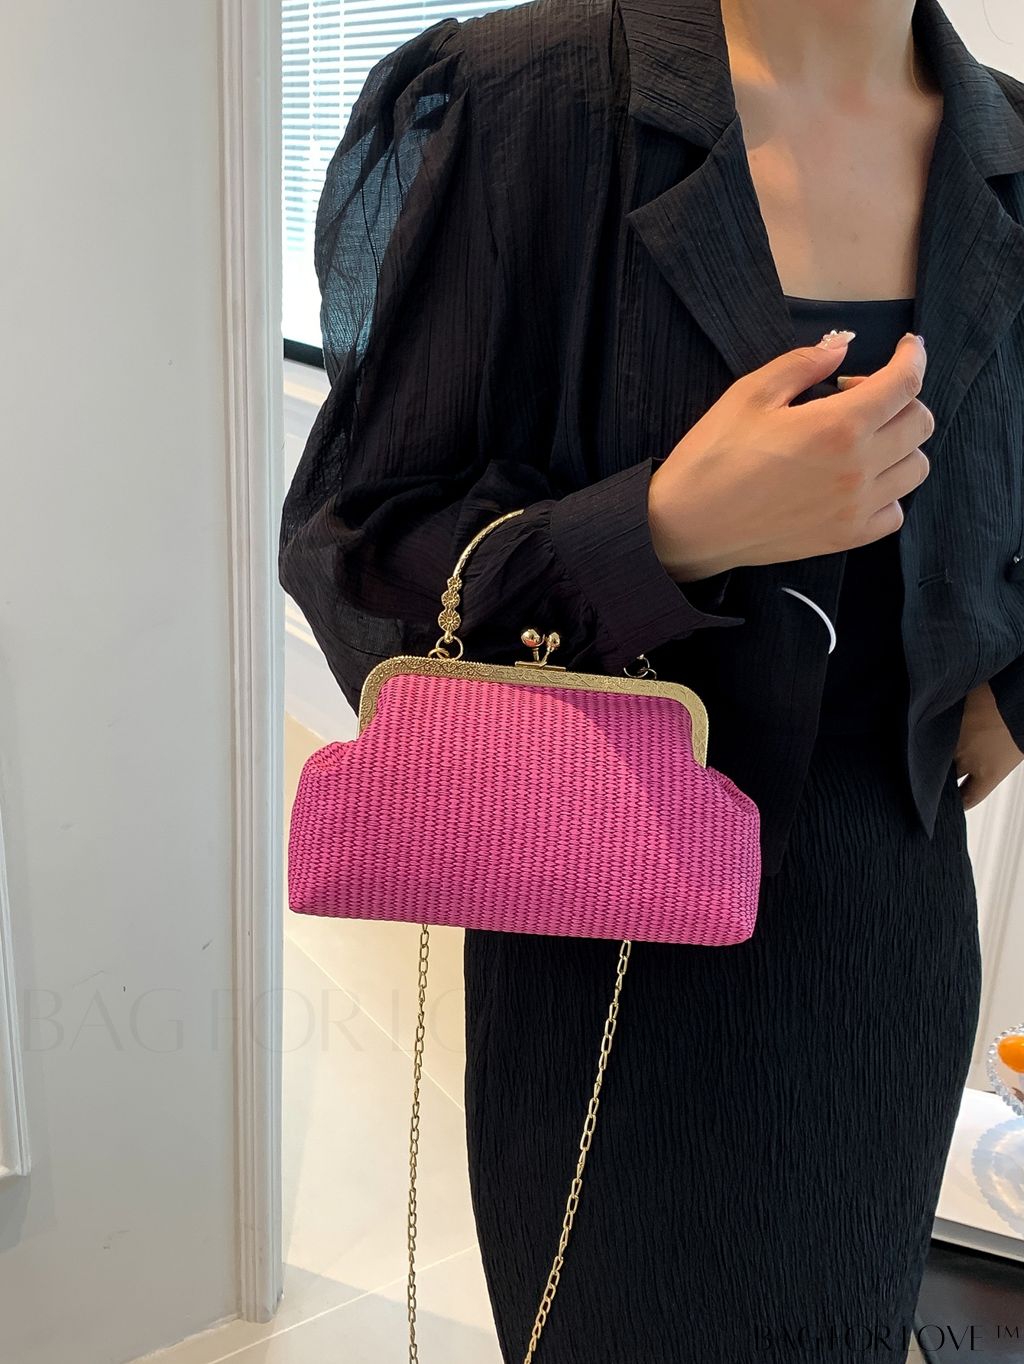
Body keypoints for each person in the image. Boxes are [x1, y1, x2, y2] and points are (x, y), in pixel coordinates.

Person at [279, 0, 1024, 1358]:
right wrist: (663, 528)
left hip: (886, 941)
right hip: (604, 932)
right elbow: (359, 546)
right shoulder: (531, 103)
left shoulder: (1010, 151)